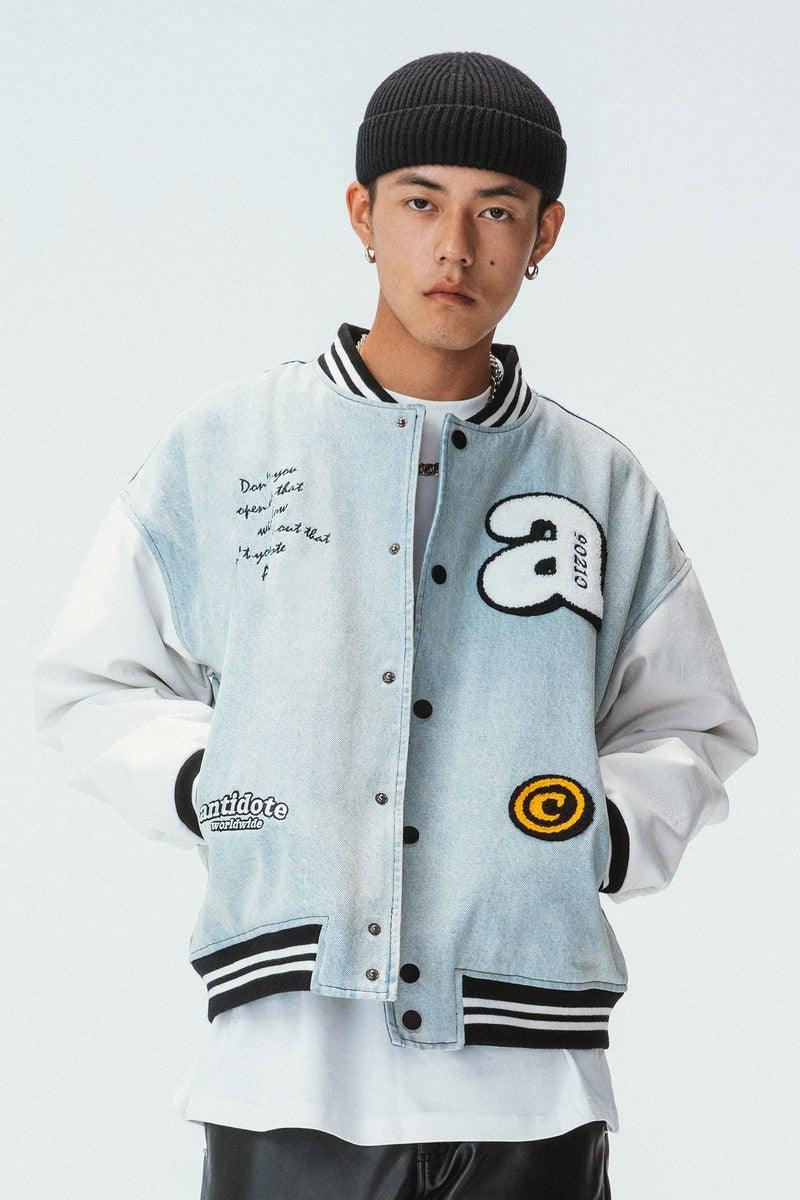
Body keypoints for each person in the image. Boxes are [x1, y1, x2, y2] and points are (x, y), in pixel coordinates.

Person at [33, 50, 758, 1200]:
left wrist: (597, 833)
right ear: (361, 214)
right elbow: (91, 682)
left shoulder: (598, 484)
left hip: (535, 1088)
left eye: (495, 212)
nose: (453, 249)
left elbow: (691, 721)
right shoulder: (227, 450)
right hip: (285, 1078)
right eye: (420, 203)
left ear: (544, 233)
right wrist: (219, 786)